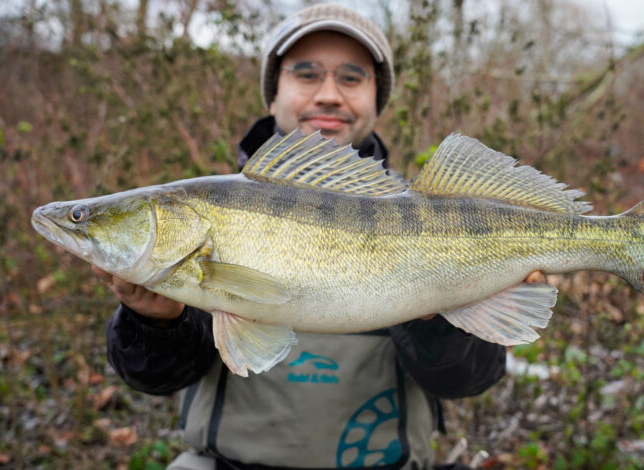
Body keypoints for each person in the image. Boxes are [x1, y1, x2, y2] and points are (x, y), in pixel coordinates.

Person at [97, 4, 542, 469]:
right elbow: (156, 377)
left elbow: (465, 381)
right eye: (306, 74)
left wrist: (438, 315)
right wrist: (155, 322)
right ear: (273, 95)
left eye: (351, 77)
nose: (329, 94)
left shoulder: (438, 216)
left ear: (376, 98)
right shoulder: (207, 217)